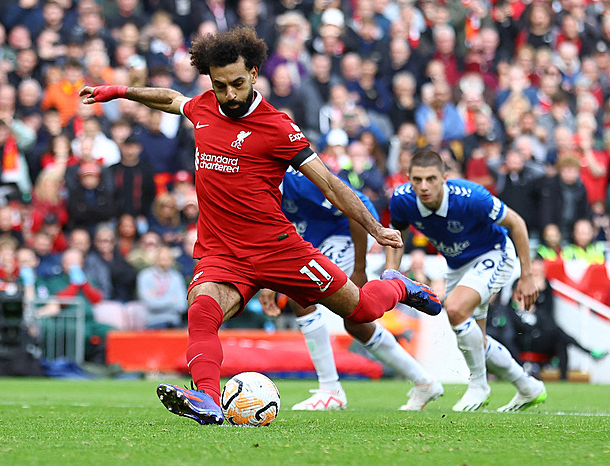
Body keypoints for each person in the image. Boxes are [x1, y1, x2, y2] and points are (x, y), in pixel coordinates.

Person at [80, 27, 440, 425]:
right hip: (222, 253)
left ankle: (399, 285)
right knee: (201, 311)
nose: (230, 95)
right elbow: (171, 99)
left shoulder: (277, 127)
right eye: (220, 86)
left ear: (253, 73)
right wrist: (118, 91)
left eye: (237, 83)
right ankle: (208, 400)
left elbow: (331, 184)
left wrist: (375, 228)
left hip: (280, 250)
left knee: (364, 311)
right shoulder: (204, 108)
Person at [260, 168, 443, 411]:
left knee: (300, 296)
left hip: (346, 232)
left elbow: (359, 205)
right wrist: (268, 282)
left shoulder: (300, 181)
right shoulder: (257, 190)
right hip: (315, 240)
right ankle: (425, 382)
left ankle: (330, 389)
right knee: (355, 321)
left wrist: (360, 268)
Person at [386, 149, 546, 413]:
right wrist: (391, 275)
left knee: (456, 309)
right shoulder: (402, 200)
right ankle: (528, 387)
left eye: (431, 179)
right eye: (417, 179)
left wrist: (526, 276)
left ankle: (479, 386)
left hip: (495, 253)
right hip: (457, 265)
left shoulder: (472, 197)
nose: (424, 186)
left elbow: (517, 223)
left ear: (444, 178)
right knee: (476, 340)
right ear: (408, 178)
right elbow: (397, 233)